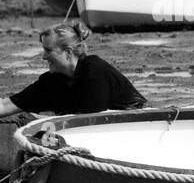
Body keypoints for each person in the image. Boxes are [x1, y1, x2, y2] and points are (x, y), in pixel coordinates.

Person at [0, 22, 146, 119]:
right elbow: (7, 105)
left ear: (68, 52)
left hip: (138, 125)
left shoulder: (94, 71)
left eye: (48, 50)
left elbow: (91, 124)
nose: (43, 57)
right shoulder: (51, 81)